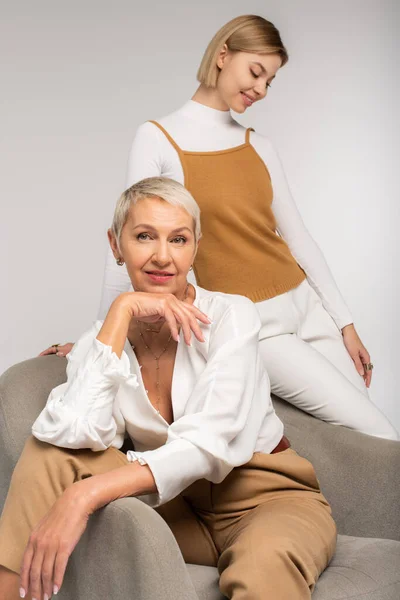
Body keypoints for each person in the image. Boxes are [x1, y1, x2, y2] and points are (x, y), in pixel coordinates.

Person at [40, 15, 398, 440]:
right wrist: (99, 338)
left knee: (375, 422)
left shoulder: (257, 144)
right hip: (260, 325)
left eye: (271, 81)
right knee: (376, 432)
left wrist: (346, 325)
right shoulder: (157, 138)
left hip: (306, 306)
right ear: (223, 54)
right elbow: (129, 241)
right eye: (256, 72)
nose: (261, 89)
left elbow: (299, 239)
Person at [0, 178, 336, 600]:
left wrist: (82, 496)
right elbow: (70, 434)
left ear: (195, 247)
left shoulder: (232, 316)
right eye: (144, 236)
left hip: (265, 502)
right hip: (174, 511)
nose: (162, 256)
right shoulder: (103, 339)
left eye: (178, 239)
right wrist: (121, 312)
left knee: (262, 567)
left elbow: (208, 442)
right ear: (115, 245)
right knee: (48, 452)